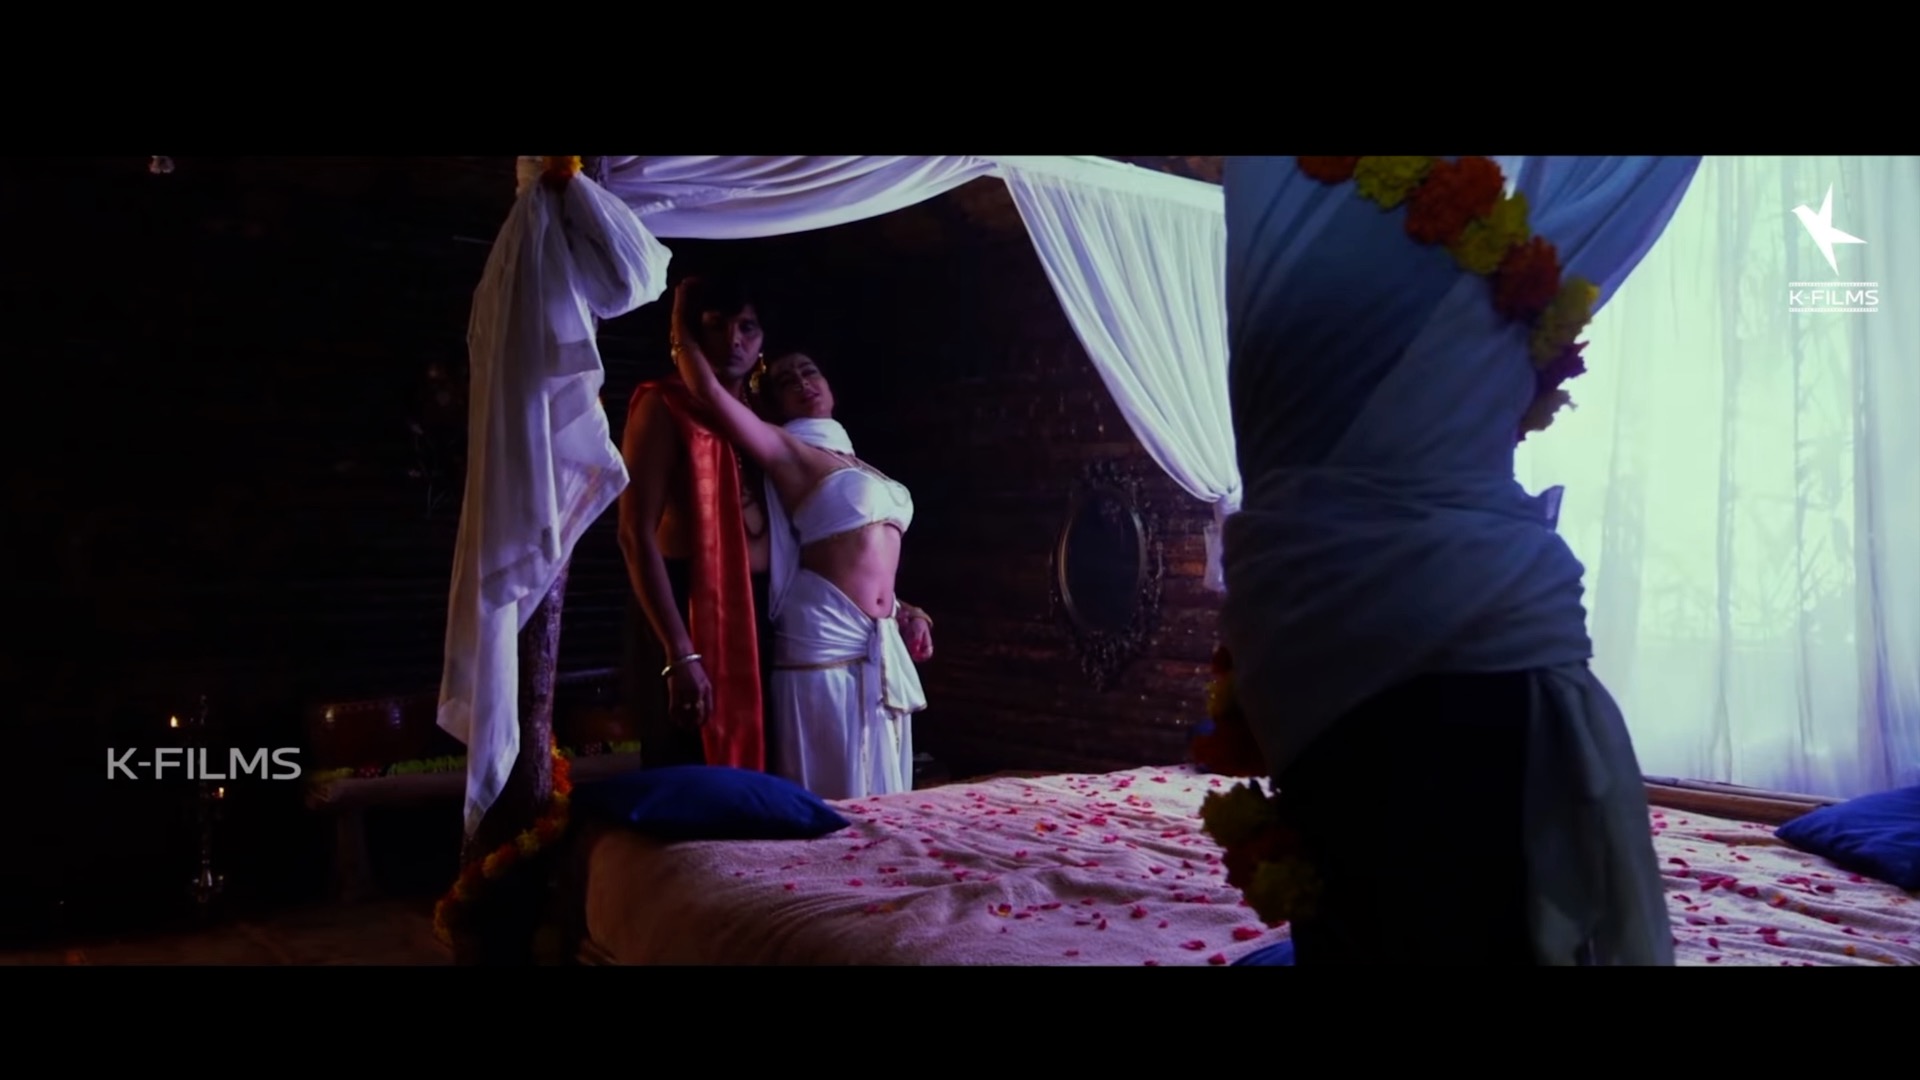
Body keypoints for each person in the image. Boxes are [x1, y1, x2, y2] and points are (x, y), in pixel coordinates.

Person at [1218, 155, 1700, 965]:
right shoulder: (1323, 222)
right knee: (1359, 895)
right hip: (1371, 654)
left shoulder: (1482, 258)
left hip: (1427, 663)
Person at [669, 279, 933, 799]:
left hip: (874, 637)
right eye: (787, 380)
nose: (803, 382)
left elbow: (859, 553)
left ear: (829, 385)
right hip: (824, 636)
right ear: (774, 404)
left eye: (809, 371)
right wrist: (679, 321)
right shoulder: (787, 451)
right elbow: (708, 393)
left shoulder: (858, 462)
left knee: (884, 797)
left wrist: (906, 610)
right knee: (836, 797)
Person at [617, 274, 777, 773]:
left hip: (765, 610)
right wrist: (680, 652)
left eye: (747, 327)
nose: (734, 340)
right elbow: (634, 533)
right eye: (716, 325)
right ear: (691, 334)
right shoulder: (664, 404)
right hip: (689, 606)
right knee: (691, 773)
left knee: (766, 781)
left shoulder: (764, 414)